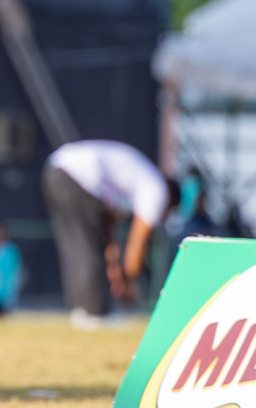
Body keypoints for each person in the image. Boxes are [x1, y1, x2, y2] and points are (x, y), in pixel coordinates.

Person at [43, 139, 178, 330]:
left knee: (76, 246)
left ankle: (82, 309)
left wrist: (115, 270)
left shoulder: (134, 180)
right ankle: (96, 314)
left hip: (55, 169)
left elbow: (105, 233)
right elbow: (137, 242)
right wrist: (129, 283)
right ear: (171, 200)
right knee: (89, 248)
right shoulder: (158, 189)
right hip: (80, 176)